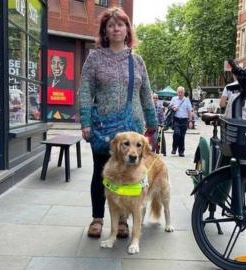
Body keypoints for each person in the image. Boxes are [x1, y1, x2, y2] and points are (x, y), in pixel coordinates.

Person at [79, 7, 157, 238]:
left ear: (127, 29)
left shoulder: (137, 61)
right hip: (103, 129)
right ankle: (97, 218)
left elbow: (146, 93)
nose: (116, 28)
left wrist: (152, 123)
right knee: (101, 174)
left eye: (120, 24)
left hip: (132, 128)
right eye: (111, 25)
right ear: (105, 30)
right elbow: (85, 91)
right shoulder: (94, 58)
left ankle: (123, 220)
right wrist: (85, 122)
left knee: (130, 175)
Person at [169, 86, 193, 157]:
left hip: (184, 120)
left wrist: (190, 121)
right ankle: (174, 148)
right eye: (179, 92)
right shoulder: (174, 99)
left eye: (181, 92)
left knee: (182, 136)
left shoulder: (187, 100)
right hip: (176, 119)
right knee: (177, 134)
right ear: (177, 92)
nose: (180, 94)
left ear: (183, 93)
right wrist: (173, 107)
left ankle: (181, 151)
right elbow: (170, 107)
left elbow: (189, 111)